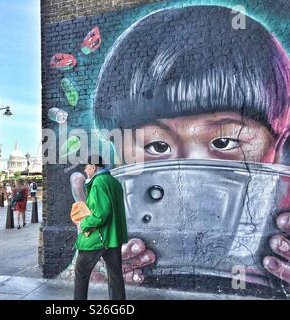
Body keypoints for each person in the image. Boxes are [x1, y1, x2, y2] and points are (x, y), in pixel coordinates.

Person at [90, 6, 290, 287]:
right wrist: (96, 272)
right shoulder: (107, 208)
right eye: (157, 146)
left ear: (279, 144)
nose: (187, 179)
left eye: (224, 142)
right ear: (119, 153)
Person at [74, 155, 128, 300]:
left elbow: (100, 214)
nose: (85, 170)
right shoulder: (114, 182)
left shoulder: (98, 183)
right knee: (115, 276)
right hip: (113, 237)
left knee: (81, 272)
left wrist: (83, 224)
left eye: (86, 167)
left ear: (93, 167)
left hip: (98, 237)